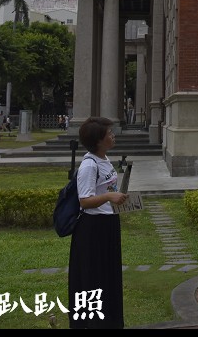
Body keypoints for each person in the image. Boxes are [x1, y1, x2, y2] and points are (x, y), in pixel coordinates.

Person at [69, 116, 128, 329]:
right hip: (93, 230)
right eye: (109, 134)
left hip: (108, 224)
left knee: (109, 278)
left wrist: (118, 198)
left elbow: (107, 189)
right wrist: (109, 198)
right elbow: (84, 201)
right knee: (94, 280)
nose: (113, 136)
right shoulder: (88, 165)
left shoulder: (104, 159)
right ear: (98, 140)